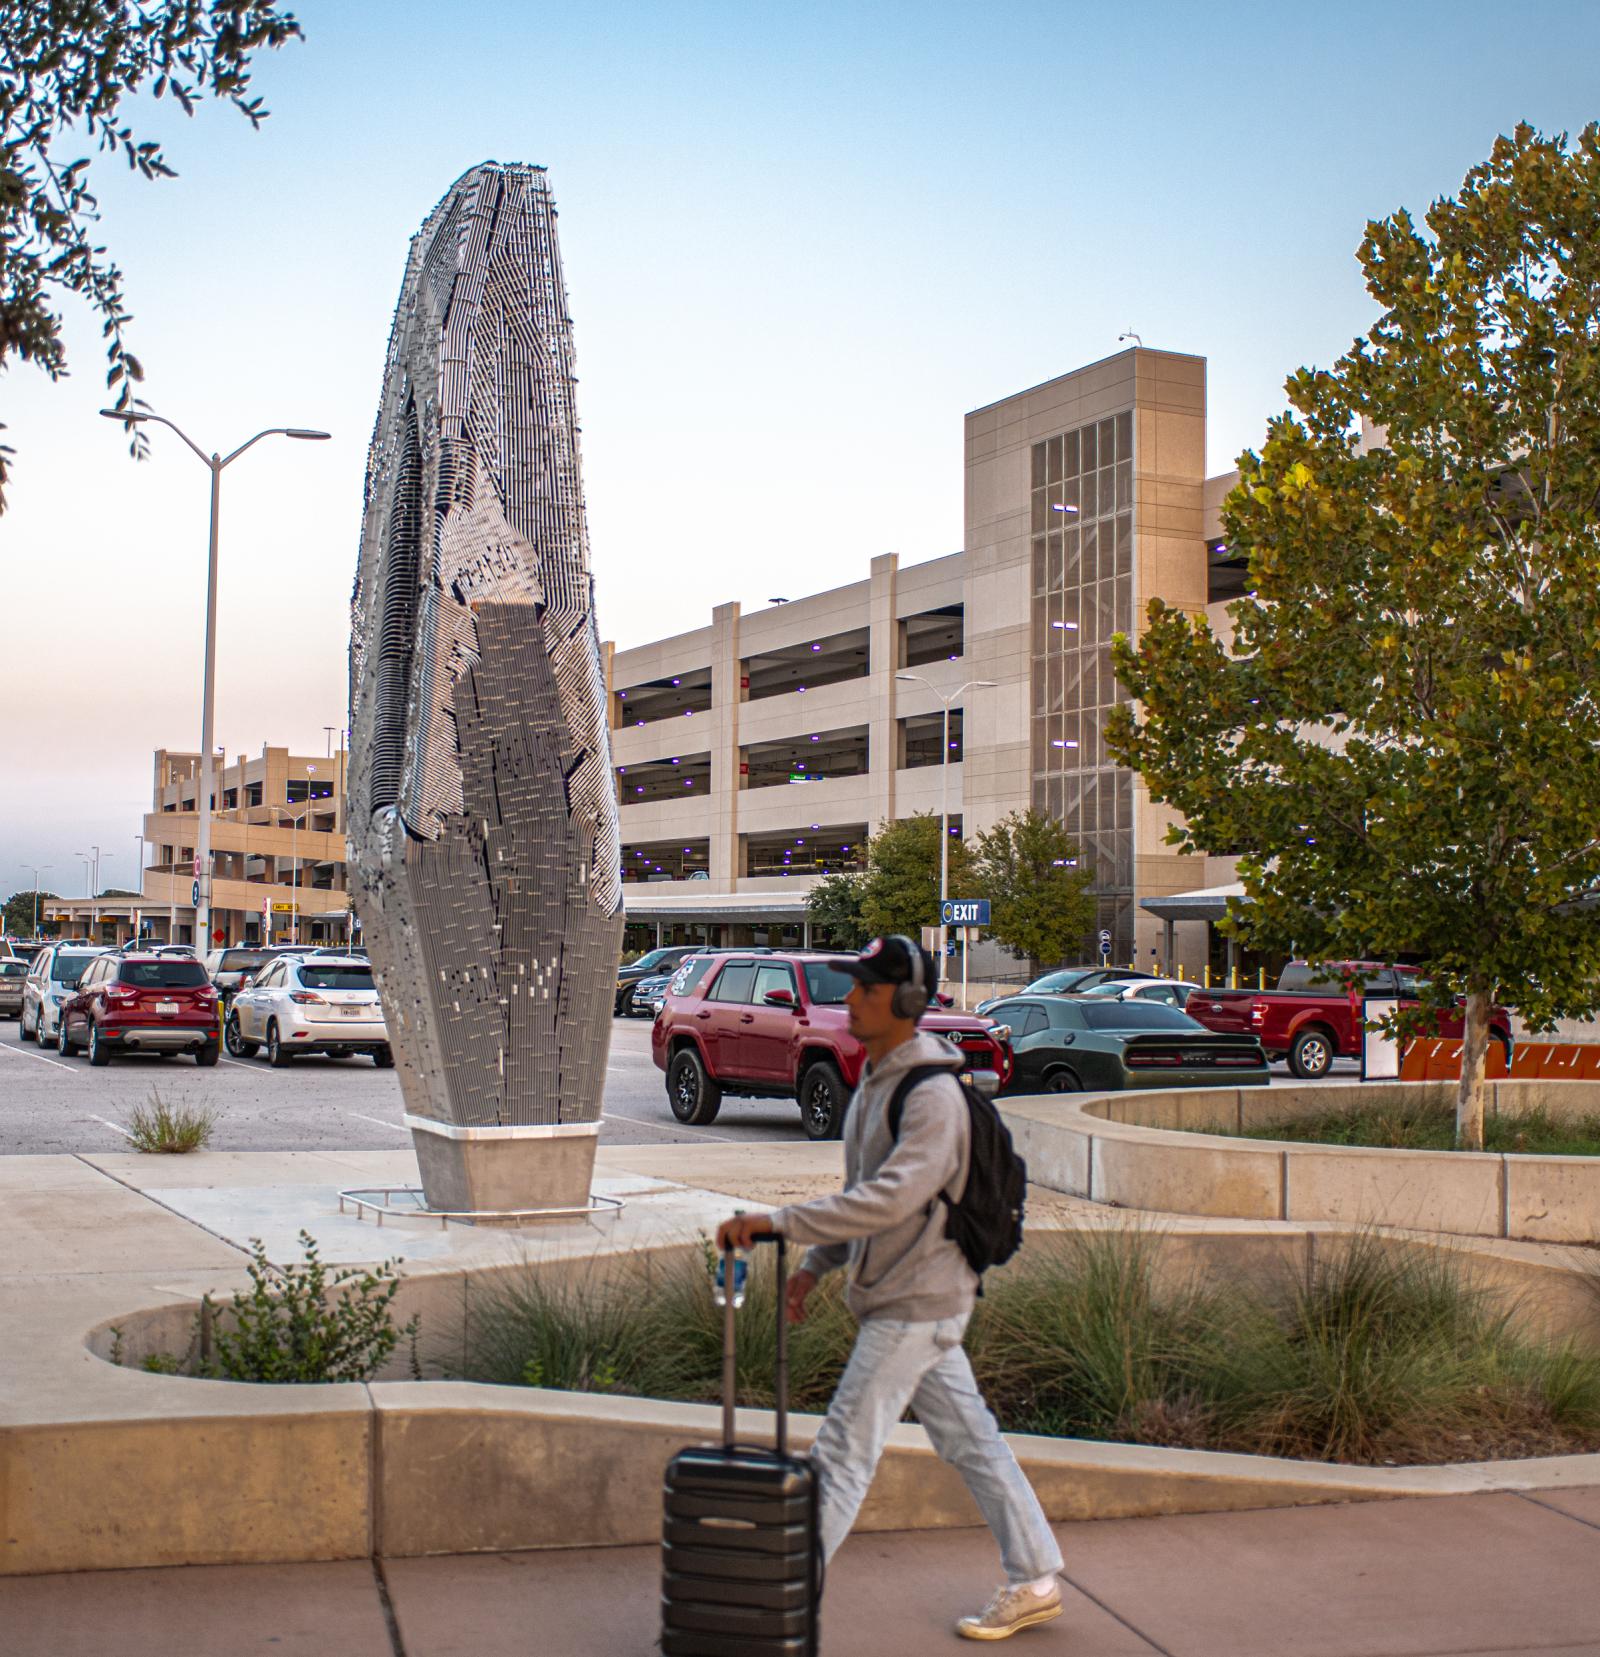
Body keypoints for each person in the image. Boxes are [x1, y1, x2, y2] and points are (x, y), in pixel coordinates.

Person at [716, 935, 1064, 1643]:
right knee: (974, 1441)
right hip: (913, 1298)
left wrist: (776, 1224)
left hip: (918, 1302)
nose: (849, 998)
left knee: (842, 1452)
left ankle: (772, 1611)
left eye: (865, 989)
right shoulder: (878, 1082)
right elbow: (863, 1195)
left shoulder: (932, 1095)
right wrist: (816, 1265)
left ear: (906, 1003)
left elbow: (893, 1198)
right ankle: (1035, 1575)